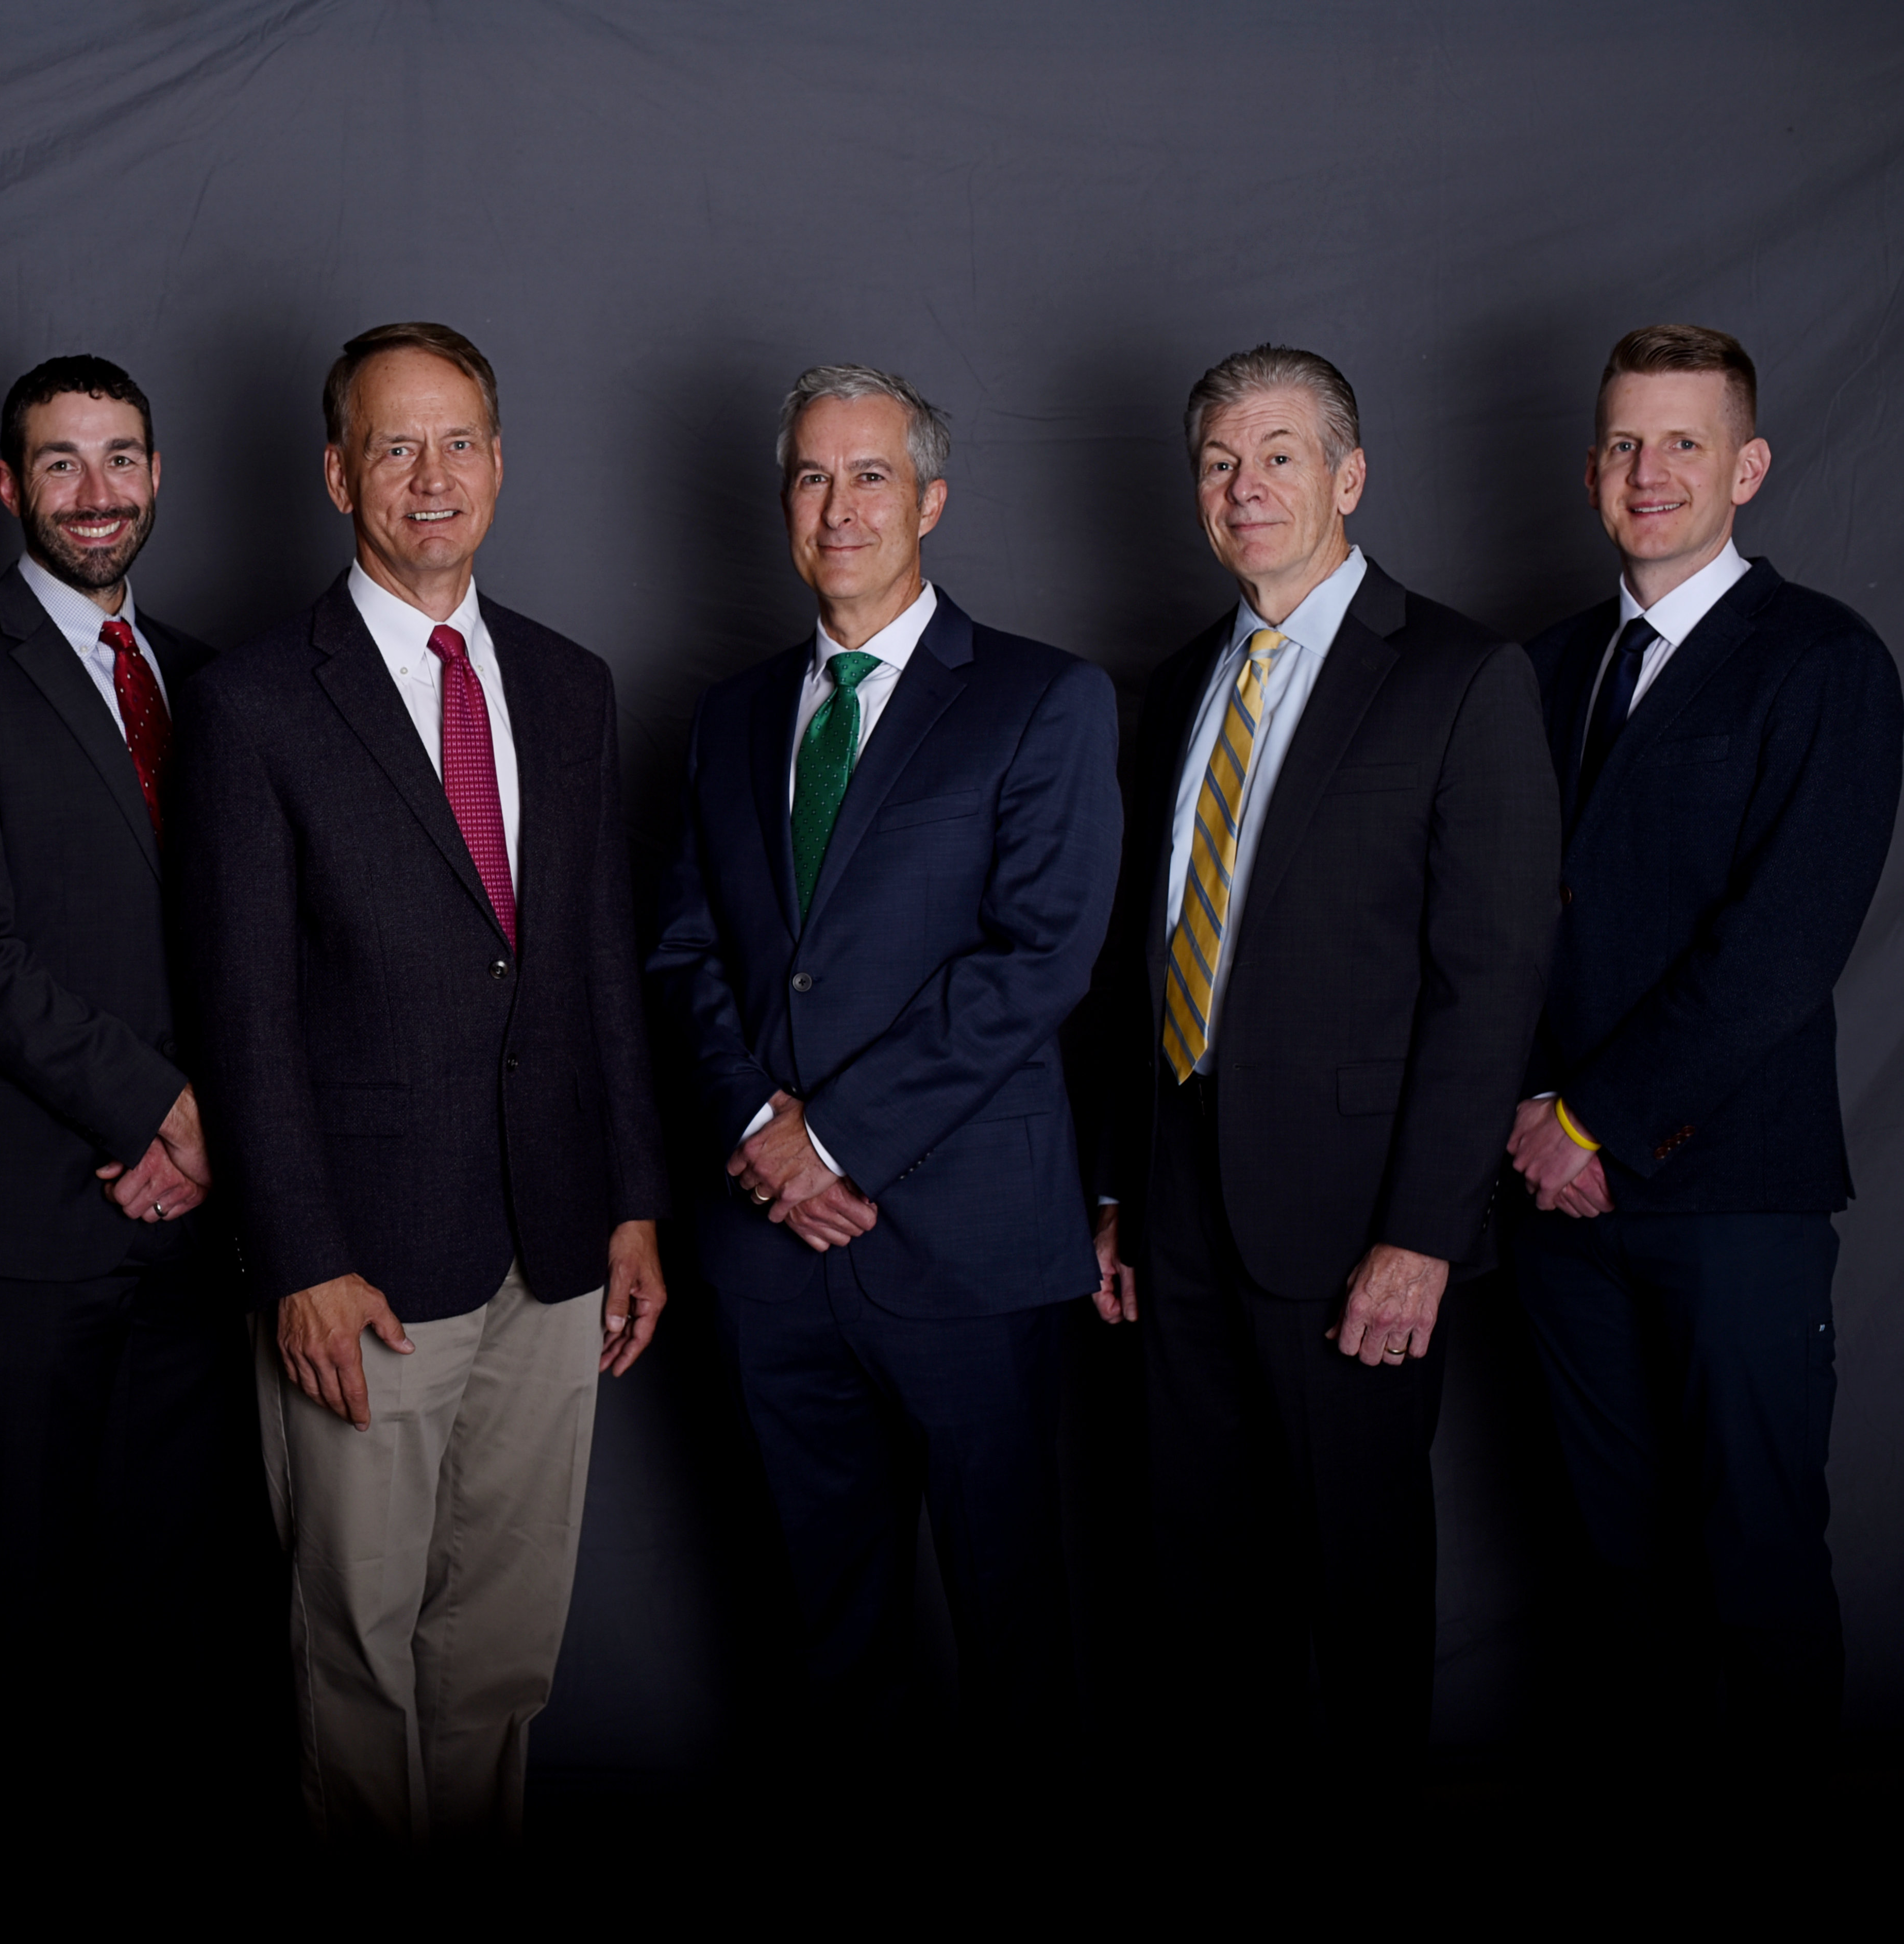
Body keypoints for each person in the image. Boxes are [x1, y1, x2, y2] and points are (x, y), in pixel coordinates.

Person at [172, 322, 668, 1845]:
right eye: (394, 446)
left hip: (554, 1242)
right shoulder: (256, 700)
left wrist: (636, 1208)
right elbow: (237, 1007)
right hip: (365, 1264)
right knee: (357, 1644)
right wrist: (298, 1258)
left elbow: (593, 968)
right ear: (337, 474)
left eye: (458, 442)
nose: (431, 476)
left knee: (500, 1651)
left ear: (501, 465)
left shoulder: (572, 686)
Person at [1082, 344, 1560, 1774]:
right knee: (1193, 1575)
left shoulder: (1462, 678)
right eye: (1221, 463)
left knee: (1353, 1578)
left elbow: (1491, 984)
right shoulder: (1175, 684)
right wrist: (1115, 1186)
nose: (1247, 487)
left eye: (1280, 455)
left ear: (1348, 476)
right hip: (1174, 1210)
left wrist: (1422, 1232)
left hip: (1353, 1222)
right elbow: (1133, 960)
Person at [645, 366, 1119, 1786]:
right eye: (808, 476)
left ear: (929, 499)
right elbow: (681, 946)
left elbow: (1037, 961)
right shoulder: (727, 717)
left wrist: (831, 1139)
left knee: (1013, 1618)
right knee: (820, 1626)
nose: (836, 506)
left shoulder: (1041, 699)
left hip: (966, 1248)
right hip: (771, 1259)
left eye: (866, 477)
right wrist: (753, 1129)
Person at [1503, 325, 1901, 1771]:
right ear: (1591, 468)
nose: (1647, 470)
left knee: (1753, 1564)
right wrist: (1534, 1119)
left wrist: (1590, 1117)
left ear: (1747, 466)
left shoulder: (1822, 665)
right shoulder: (1540, 671)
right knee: (1607, 1573)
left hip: (1731, 1195)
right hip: (1554, 1205)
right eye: (1621, 442)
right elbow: (1488, 928)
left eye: (1680, 442)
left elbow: (1779, 950)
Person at [0, 355, 241, 1810]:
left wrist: (212, 1128)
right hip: (30, 1219)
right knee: (16, 1601)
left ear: (158, 473)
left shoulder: (208, 677)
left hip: (194, 1227)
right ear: (8, 485)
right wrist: (165, 1108)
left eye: (123, 457)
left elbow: (252, 940)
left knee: (175, 1592)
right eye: (63, 463)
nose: (98, 494)